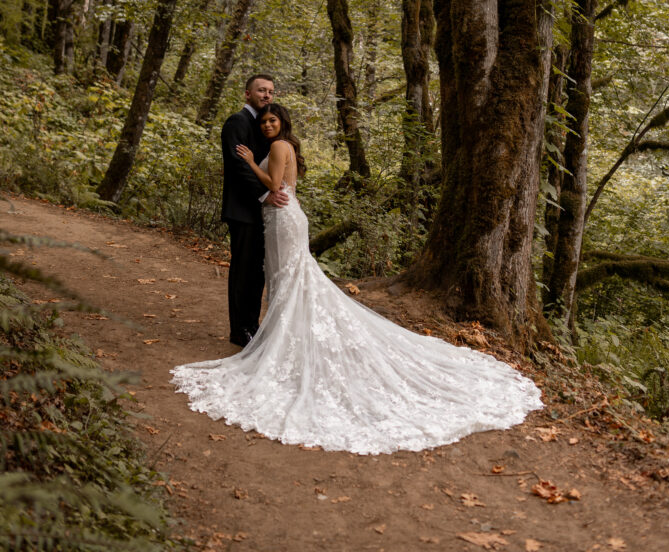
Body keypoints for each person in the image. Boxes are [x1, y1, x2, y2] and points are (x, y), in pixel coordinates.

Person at [172, 104, 543, 455]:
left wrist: (252, 162)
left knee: (292, 277)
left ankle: (289, 337)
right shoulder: (279, 144)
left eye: (273, 120)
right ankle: (284, 334)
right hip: (278, 220)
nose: (268, 125)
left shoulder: (280, 146)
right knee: (287, 279)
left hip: (283, 220)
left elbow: (274, 185)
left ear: (283, 123)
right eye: (264, 121)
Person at [220, 74, 287, 347]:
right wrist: (265, 195)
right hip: (243, 210)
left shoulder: (264, 125)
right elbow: (238, 167)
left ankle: (252, 325)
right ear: (247, 94)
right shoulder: (237, 122)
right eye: (261, 90)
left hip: (261, 213)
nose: (267, 95)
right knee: (242, 272)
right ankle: (239, 331)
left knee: (257, 273)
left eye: (270, 91)